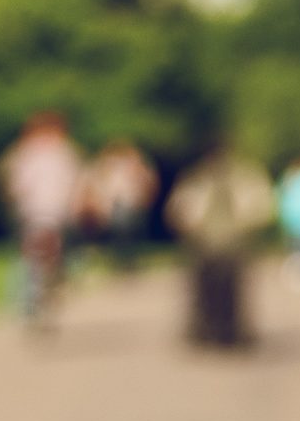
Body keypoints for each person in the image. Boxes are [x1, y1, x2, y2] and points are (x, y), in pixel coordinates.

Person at [164, 143, 272, 350]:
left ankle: (230, 330)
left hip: (233, 241)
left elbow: (259, 205)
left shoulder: (244, 176)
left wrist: (248, 221)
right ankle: (206, 328)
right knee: (205, 289)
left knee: (232, 289)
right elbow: (180, 206)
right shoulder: (198, 178)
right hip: (204, 241)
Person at [0, 112, 83, 333]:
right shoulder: (59, 151)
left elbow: (14, 183)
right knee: (43, 260)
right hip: (45, 213)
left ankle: (32, 300)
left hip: (39, 213)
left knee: (34, 259)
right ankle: (34, 300)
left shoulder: (29, 152)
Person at [80, 140, 157, 272]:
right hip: (117, 205)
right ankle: (123, 261)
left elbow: (147, 184)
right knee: (122, 235)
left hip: (129, 204)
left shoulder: (133, 166)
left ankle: (126, 260)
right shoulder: (106, 167)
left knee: (128, 234)